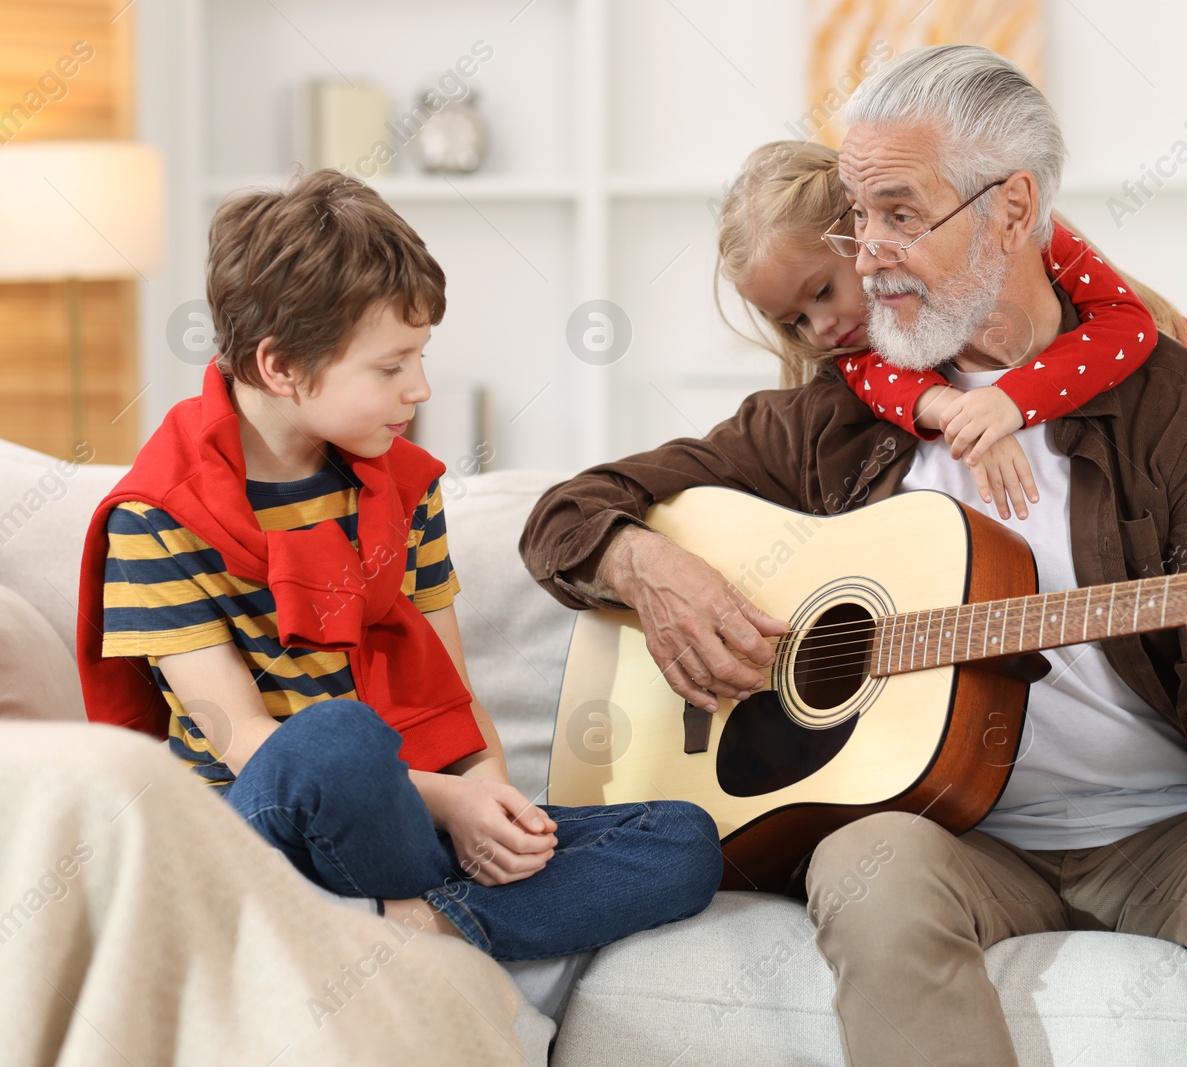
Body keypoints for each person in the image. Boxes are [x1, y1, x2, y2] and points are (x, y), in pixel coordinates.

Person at [523, 45, 1187, 1067]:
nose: (867, 254)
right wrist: (648, 568)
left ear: (1011, 211)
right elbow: (571, 511)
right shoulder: (830, 421)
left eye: (898, 213)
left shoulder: (1185, 409)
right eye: (856, 216)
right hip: (953, 837)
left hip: (1173, 826)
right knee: (864, 861)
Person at [76, 168, 722, 962]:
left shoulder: (405, 488)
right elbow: (244, 739)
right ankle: (395, 912)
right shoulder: (158, 516)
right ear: (280, 366)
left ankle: (413, 924)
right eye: (390, 366)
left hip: (407, 822)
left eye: (419, 357)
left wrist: (489, 798)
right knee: (334, 739)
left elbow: (447, 686)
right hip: (249, 832)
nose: (418, 388)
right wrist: (452, 803)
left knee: (683, 840)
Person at [718, 140, 1187, 520]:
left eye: (822, 293)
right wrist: (955, 413)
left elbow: (1126, 323)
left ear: (862, 229)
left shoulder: (1027, 236)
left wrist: (1005, 404)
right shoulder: (857, 360)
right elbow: (868, 375)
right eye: (793, 321)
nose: (821, 329)